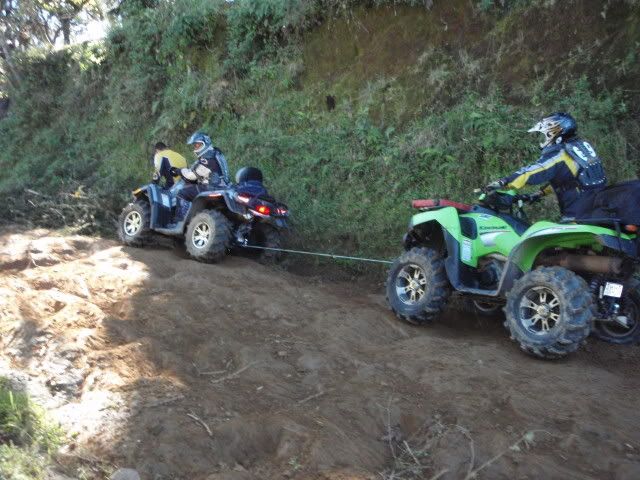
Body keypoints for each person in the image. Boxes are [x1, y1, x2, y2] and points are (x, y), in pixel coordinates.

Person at [487, 112, 607, 219]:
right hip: (599, 207)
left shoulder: (561, 153)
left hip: (578, 212)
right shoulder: (581, 146)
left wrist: (504, 181)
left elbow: (534, 171)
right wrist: (540, 193)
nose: (544, 138)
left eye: (545, 134)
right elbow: (572, 178)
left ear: (555, 132)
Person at [170, 132, 231, 224]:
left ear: (205, 143)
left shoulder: (207, 157)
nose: (196, 147)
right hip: (222, 185)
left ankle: (180, 220)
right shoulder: (216, 153)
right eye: (195, 145)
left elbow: (191, 175)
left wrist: (179, 171)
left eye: (198, 145)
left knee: (182, 193)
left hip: (211, 187)